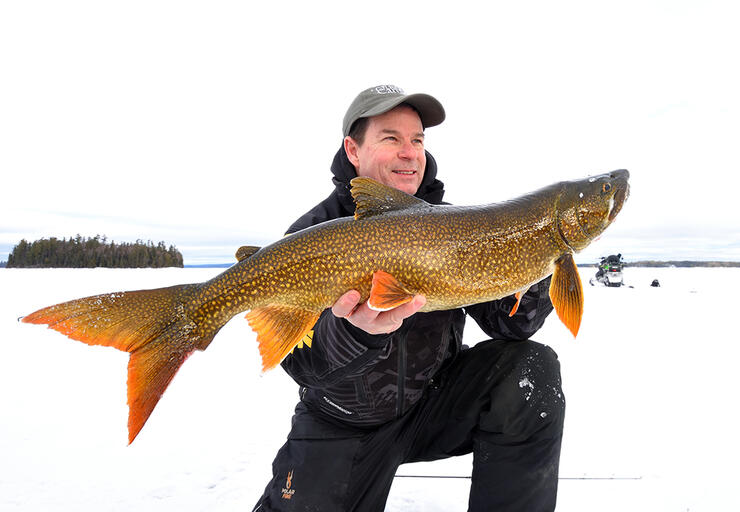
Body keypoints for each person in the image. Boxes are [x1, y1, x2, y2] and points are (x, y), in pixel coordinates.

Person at [253, 85, 565, 512]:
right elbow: (303, 365)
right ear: (352, 149)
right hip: (342, 422)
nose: (410, 152)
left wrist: (535, 259)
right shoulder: (312, 235)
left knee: (531, 368)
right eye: (391, 138)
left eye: (417, 140)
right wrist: (353, 333)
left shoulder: (453, 226)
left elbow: (514, 326)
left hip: (435, 407)